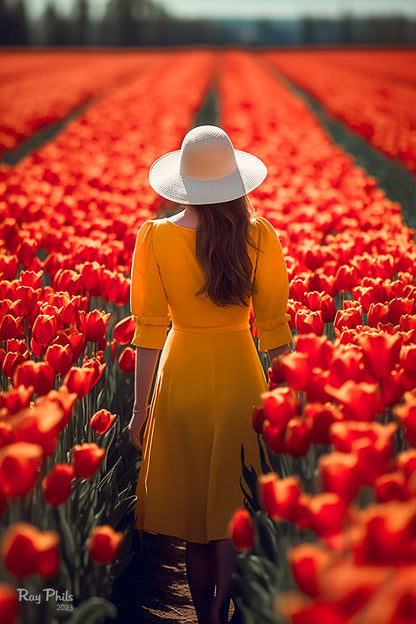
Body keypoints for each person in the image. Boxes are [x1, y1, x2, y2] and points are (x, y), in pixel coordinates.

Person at [128, 125, 293, 624]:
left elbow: (149, 331)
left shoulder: (156, 238)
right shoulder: (258, 235)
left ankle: (205, 615)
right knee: (231, 508)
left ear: (183, 181)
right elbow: (275, 330)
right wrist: (290, 398)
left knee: (195, 522)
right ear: (234, 181)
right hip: (241, 375)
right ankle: (226, 606)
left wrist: (139, 411)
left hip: (182, 377)